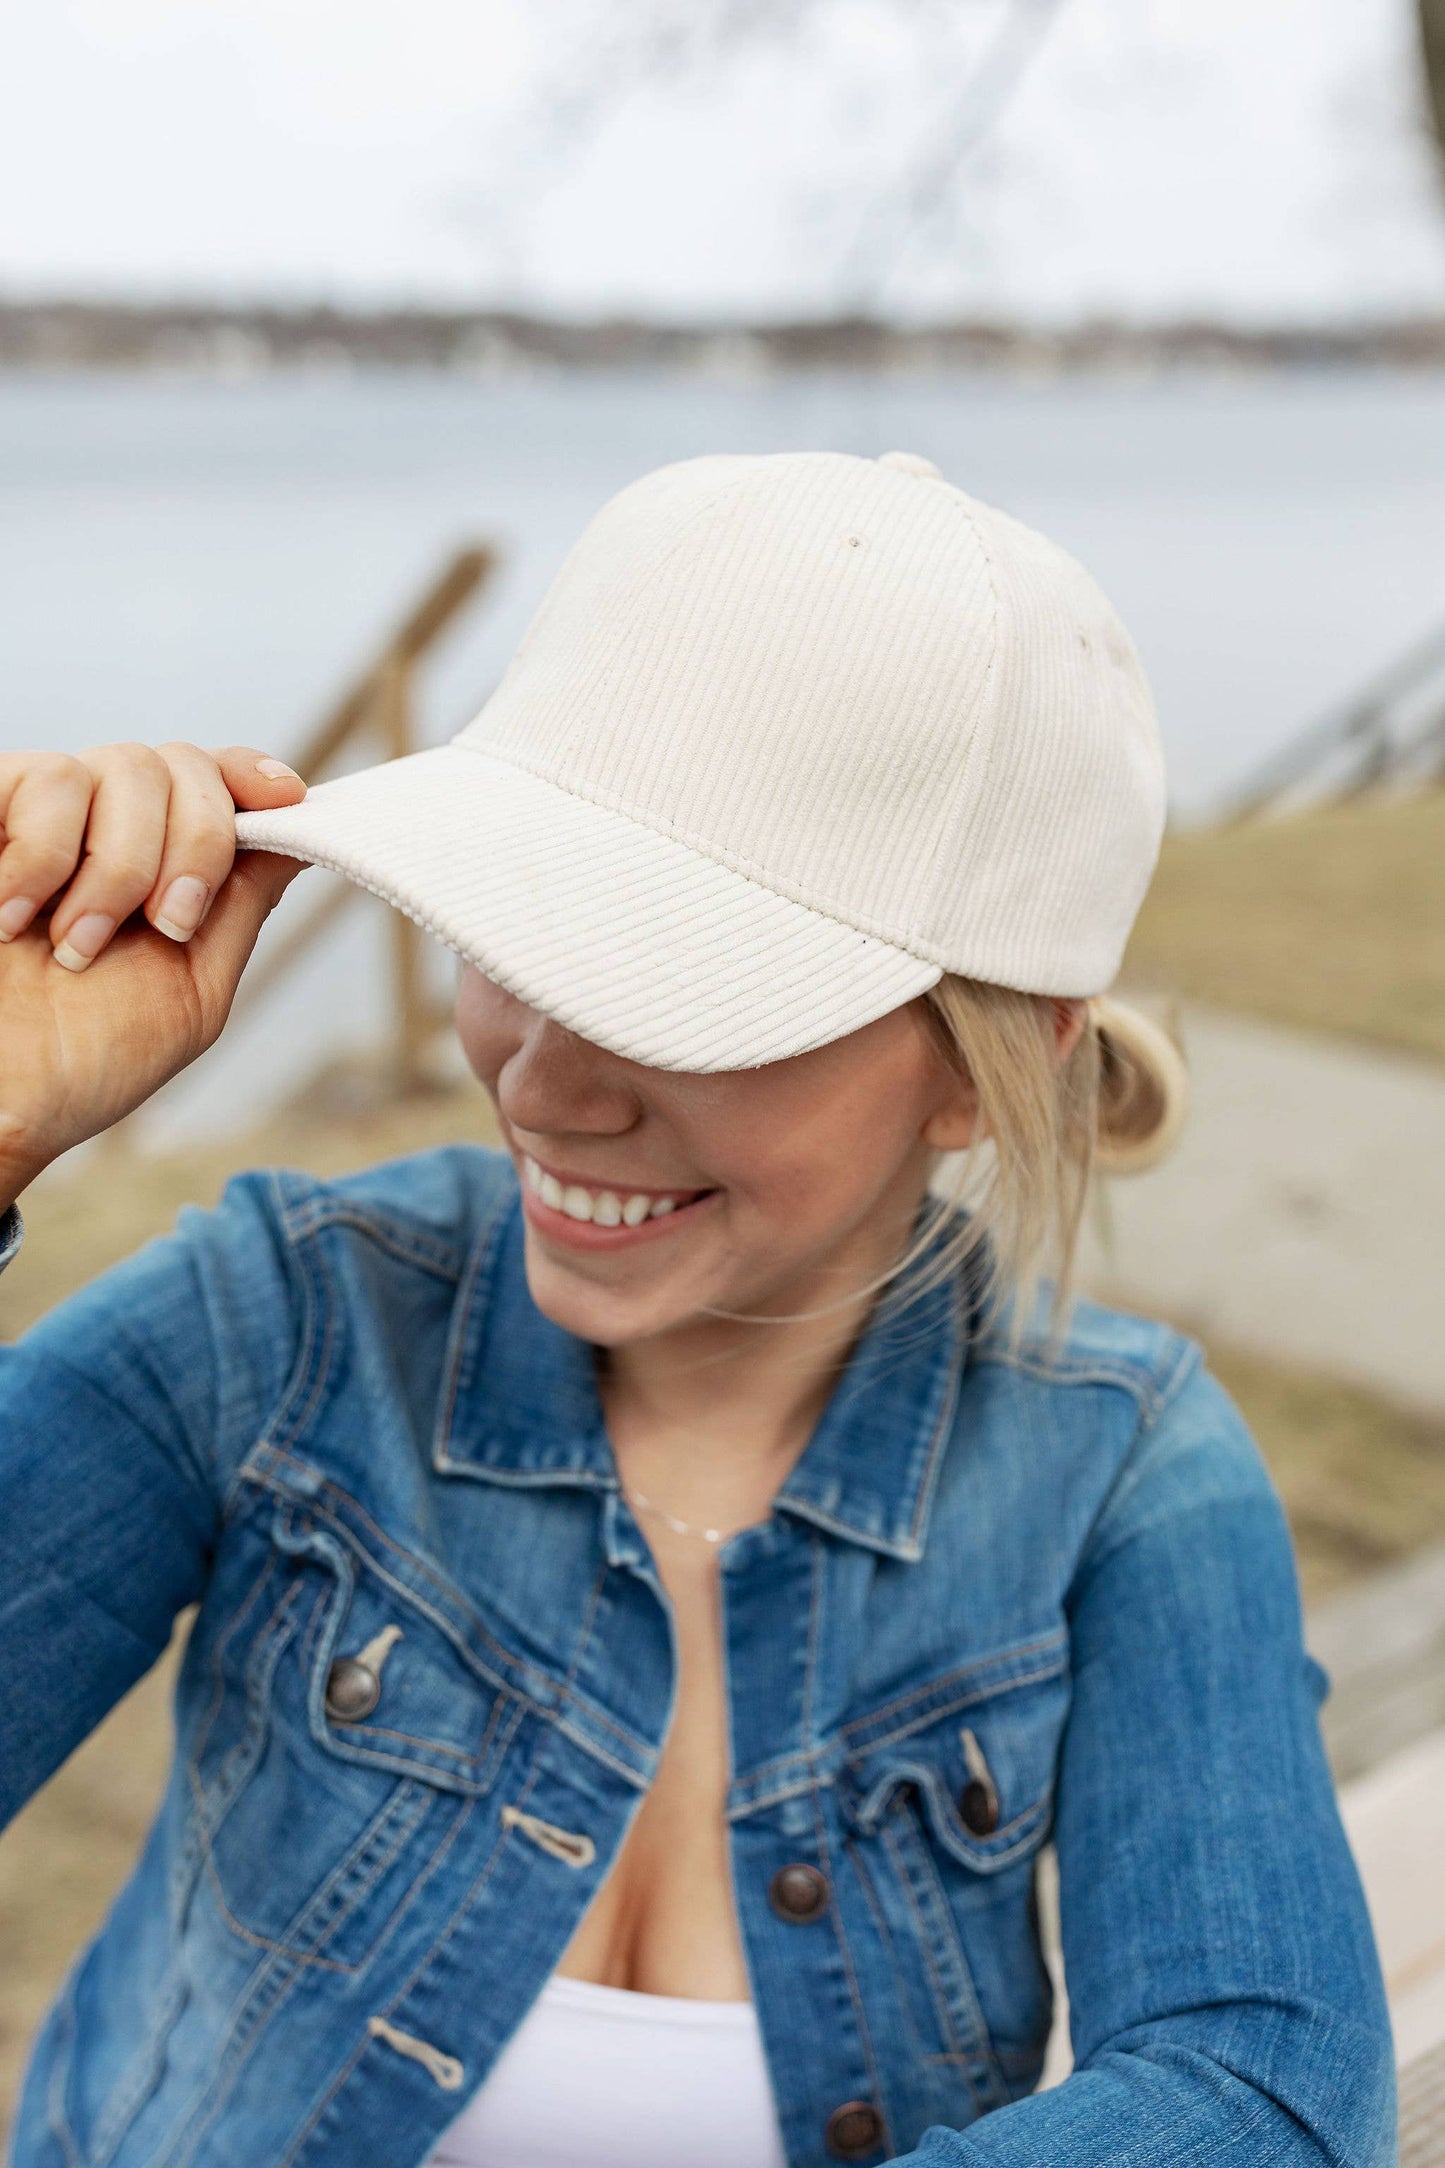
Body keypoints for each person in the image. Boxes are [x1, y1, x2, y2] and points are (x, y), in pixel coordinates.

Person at [0, 450, 1393, 2168]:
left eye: (681, 995)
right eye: (516, 933)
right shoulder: (282, 1321)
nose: (549, 1083)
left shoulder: (1115, 1476)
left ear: (988, 1064)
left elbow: (1256, 2086)